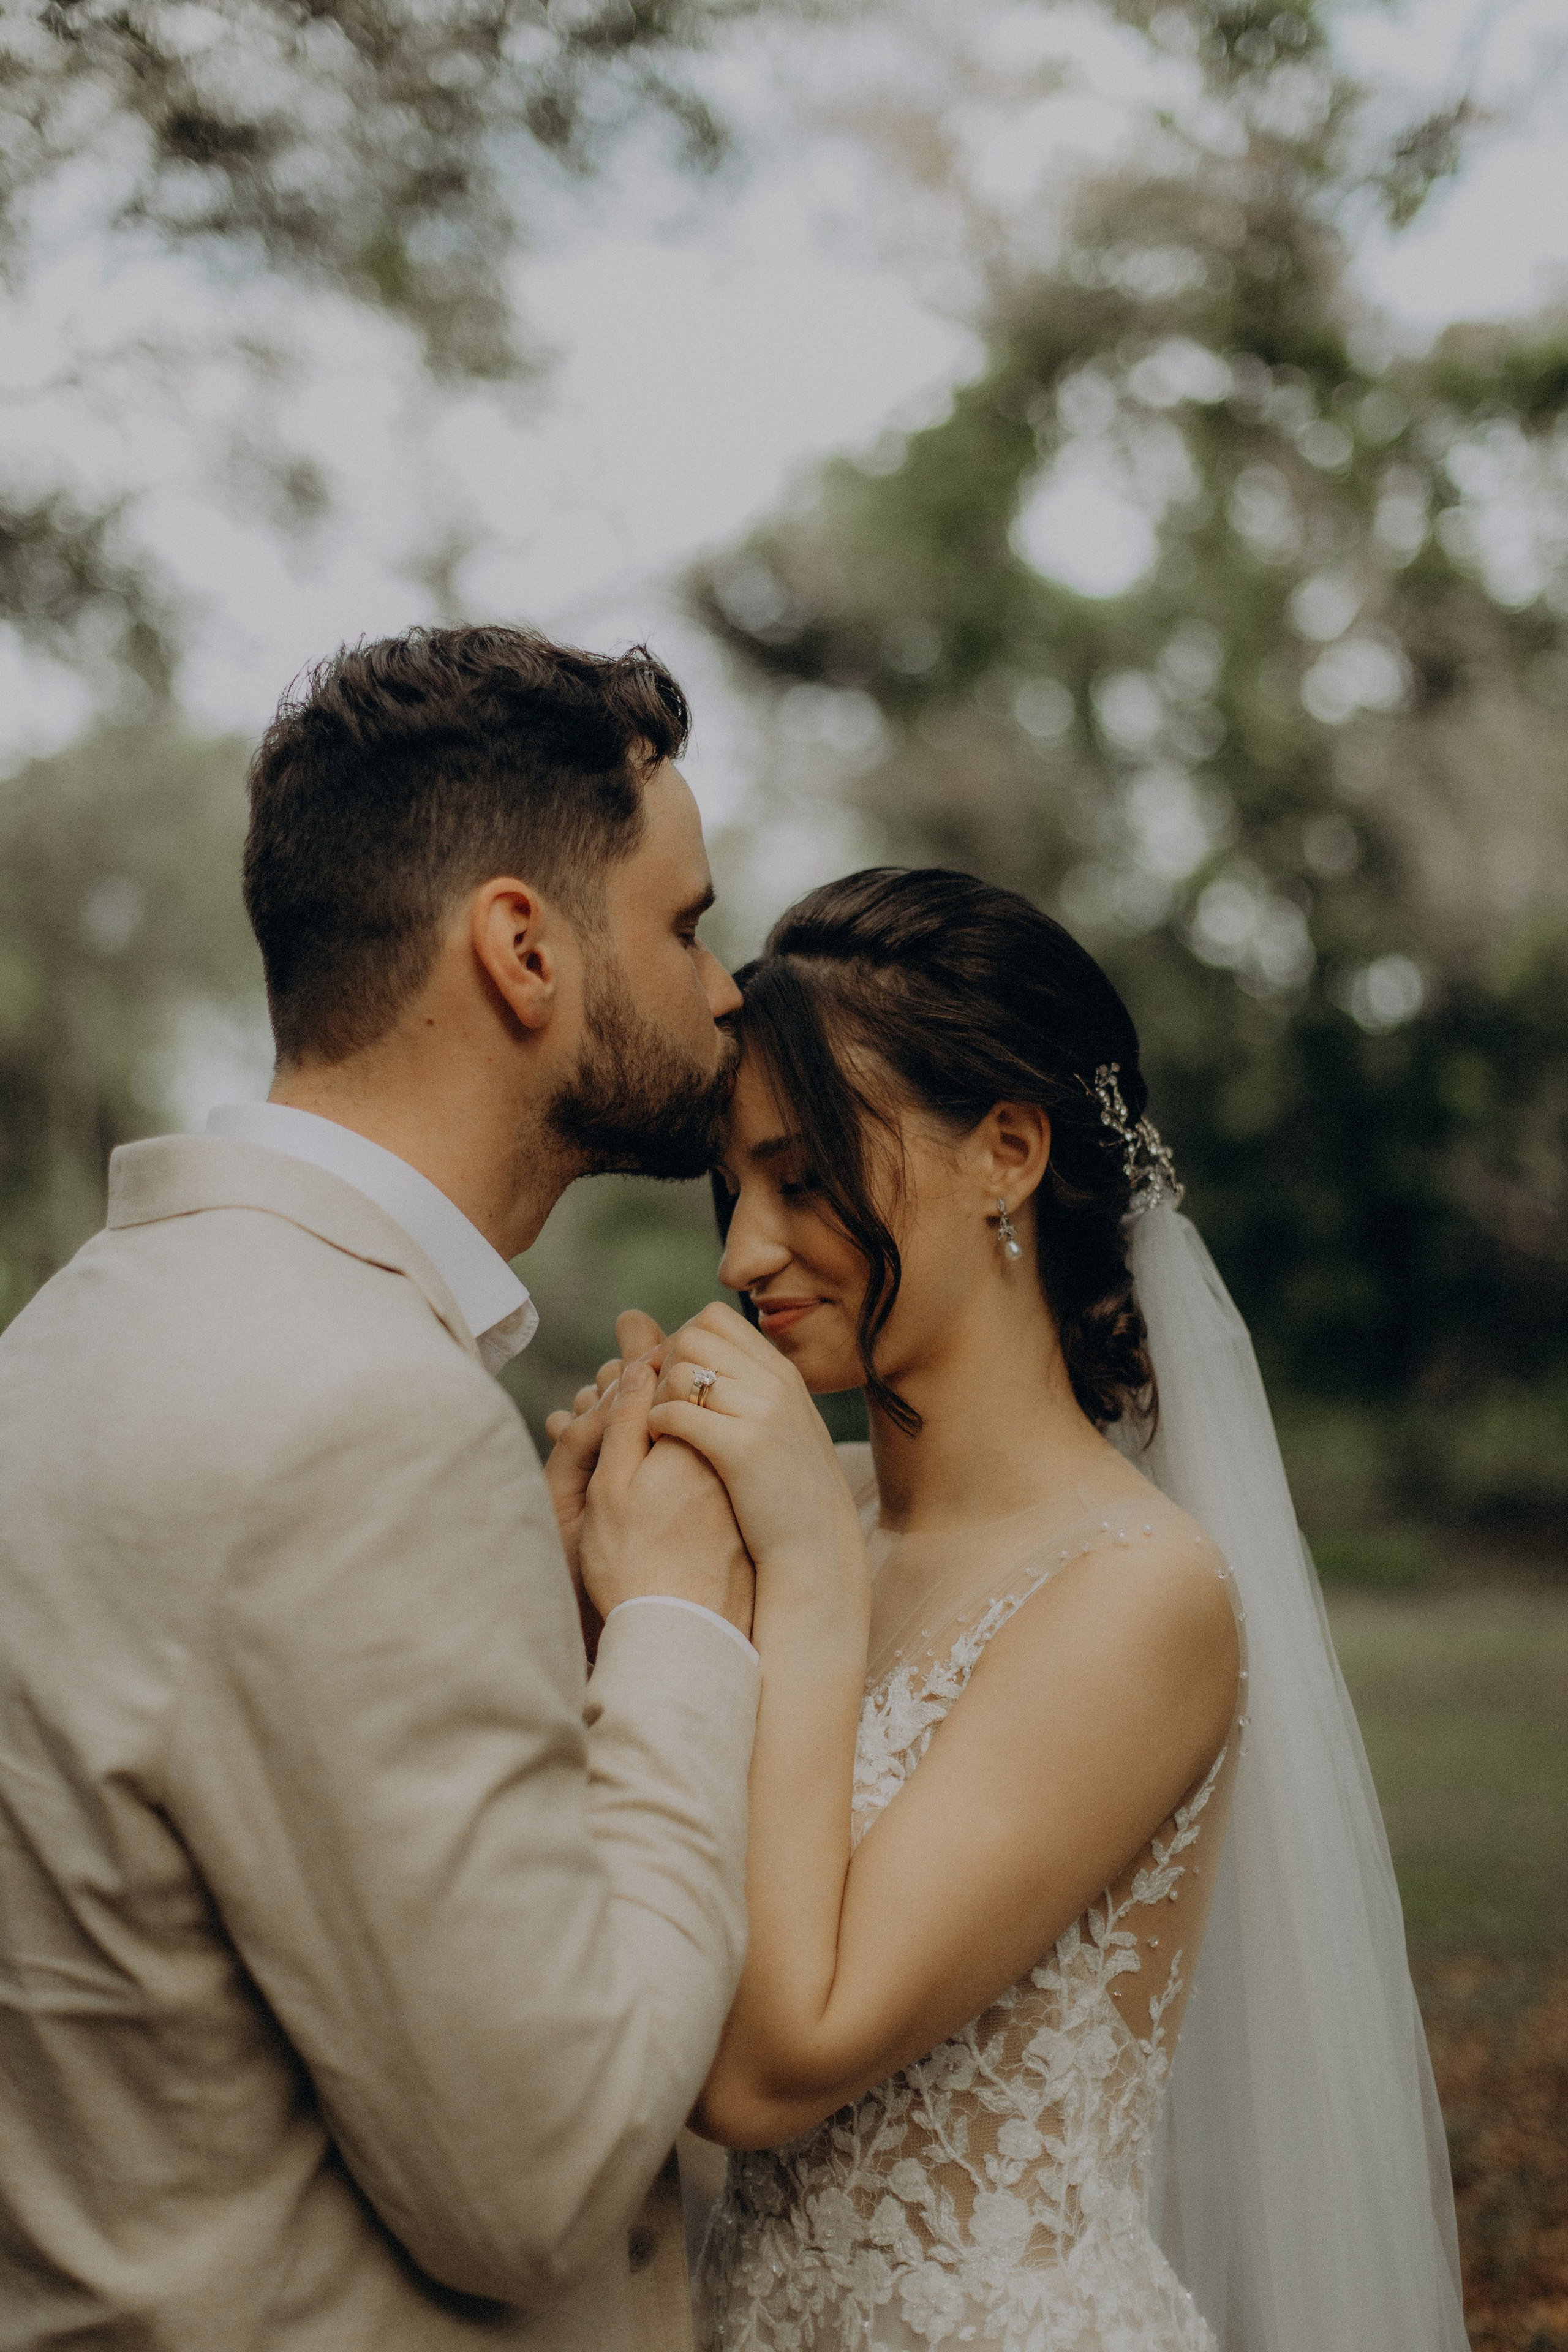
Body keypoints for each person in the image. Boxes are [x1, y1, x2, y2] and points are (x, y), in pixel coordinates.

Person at [0, 625, 844, 2352]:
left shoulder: (72, 1340)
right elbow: (543, 2177)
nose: (726, 988)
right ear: (523, 947)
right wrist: (682, 1621)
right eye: (685, 925)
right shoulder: (357, 1419)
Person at [566, 867, 1468, 2351]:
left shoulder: (1137, 1595)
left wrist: (796, 1565)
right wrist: (592, 1588)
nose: (738, 1257)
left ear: (1006, 1152)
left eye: (804, 1178)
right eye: (736, 1192)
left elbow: (767, 2068)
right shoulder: (799, 1503)